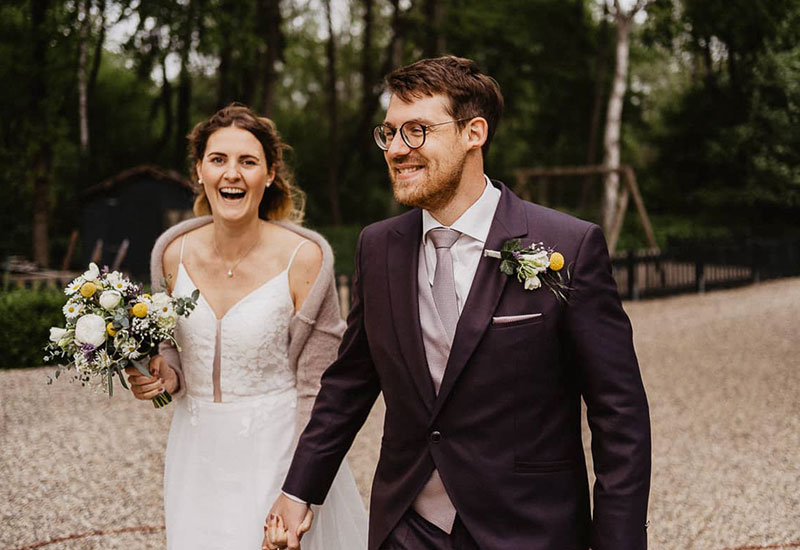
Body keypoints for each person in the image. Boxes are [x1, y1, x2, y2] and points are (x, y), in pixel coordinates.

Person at [266, 56, 651, 550]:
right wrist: (299, 490)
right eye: (389, 134)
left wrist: (618, 541)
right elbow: (349, 383)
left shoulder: (568, 246)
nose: (397, 150)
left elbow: (619, 413)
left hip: (529, 529)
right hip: (407, 527)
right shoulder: (377, 247)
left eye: (418, 131)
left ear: (475, 132)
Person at [125, 104, 367, 550]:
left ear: (270, 174)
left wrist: (300, 489)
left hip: (278, 456)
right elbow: (171, 351)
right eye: (218, 160)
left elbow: (320, 384)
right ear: (199, 171)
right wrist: (160, 375)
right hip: (195, 453)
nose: (231, 174)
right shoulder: (170, 254)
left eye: (248, 161)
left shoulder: (306, 259)